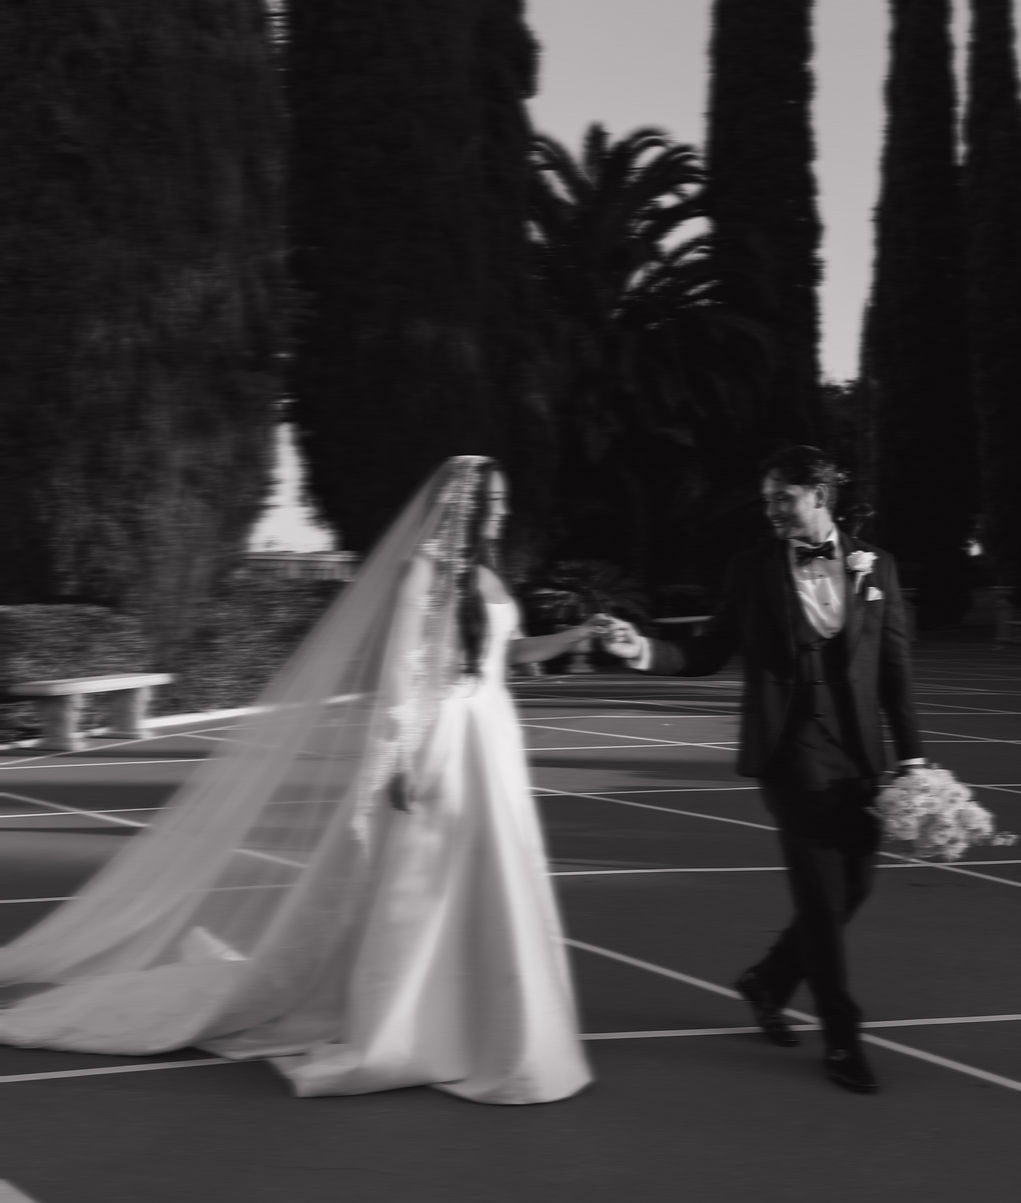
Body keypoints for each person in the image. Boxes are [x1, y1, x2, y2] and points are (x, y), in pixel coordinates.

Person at [0, 456, 595, 1104]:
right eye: (495, 502)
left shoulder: (486, 576)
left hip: (492, 739)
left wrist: (583, 633)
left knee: (493, 873)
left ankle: (488, 1015)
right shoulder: (423, 569)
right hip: (445, 740)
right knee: (430, 880)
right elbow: (403, 673)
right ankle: (413, 1020)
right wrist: (398, 759)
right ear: (466, 507)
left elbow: (509, 655)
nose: (504, 513)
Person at [601, 445, 925, 1095]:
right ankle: (842, 1038)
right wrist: (643, 650)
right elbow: (705, 651)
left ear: (820, 496)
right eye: (767, 497)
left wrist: (914, 761)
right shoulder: (750, 569)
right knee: (821, 899)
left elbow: (895, 674)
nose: (772, 509)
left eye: (784, 497)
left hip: (860, 755)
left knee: (854, 888)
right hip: (791, 754)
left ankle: (768, 981)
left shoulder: (876, 567)